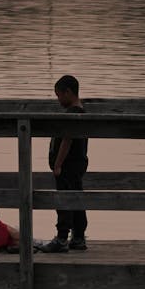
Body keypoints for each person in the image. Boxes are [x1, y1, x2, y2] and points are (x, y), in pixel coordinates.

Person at [42, 74, 89, 252]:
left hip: (67, 165)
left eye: (59, 95)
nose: (58, 99)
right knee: (77, 198)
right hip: (77, 164)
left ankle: (62, 238)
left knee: (64, 199)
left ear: (68, 92)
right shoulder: (81, 111)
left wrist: (58, 164)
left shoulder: (73, 114)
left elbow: (67, 139)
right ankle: (78, 237)